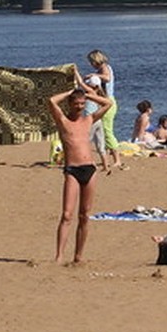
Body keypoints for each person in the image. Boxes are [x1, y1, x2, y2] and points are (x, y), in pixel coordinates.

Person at [48, 84, 113, 264]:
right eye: (76, 103)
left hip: (89, 169)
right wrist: (70, 92)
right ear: (70, 104)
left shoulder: (88, 119)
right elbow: (52, 101)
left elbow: (108, 104)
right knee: (67, 214)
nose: (80, 106)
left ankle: (78, 256)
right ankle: (59, 256)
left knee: (84, 215)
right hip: (72, 170)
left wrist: (89, 96)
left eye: (82, 104)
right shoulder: (63, 120)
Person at [85, 50, 120, 170]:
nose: (91, 64)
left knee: (107, 130)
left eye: (92, 62)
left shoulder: (105, 68)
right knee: (103, 131)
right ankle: (110, 158)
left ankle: (117, 159)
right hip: (105, 102)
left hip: (108, 102)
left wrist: (94, 76)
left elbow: (107, 78)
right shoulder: (101, 70)